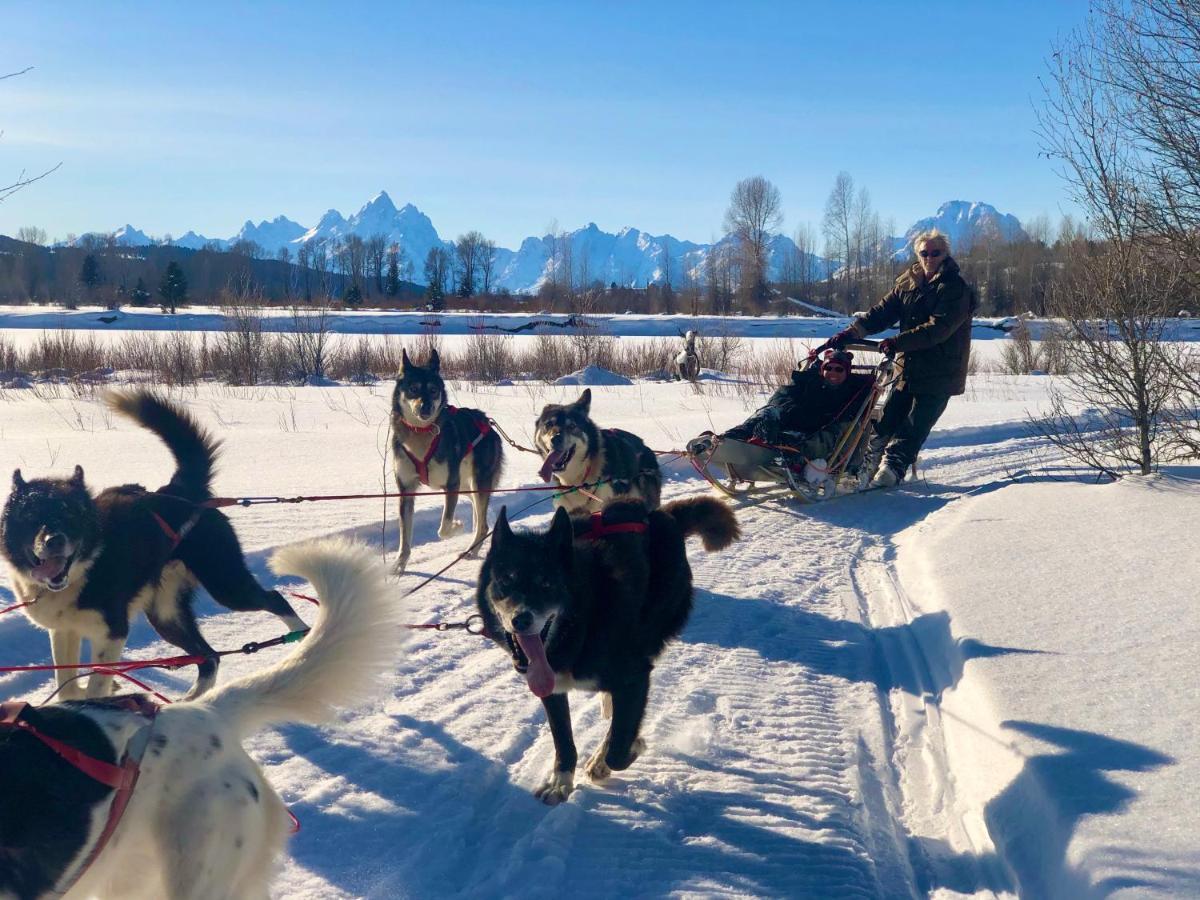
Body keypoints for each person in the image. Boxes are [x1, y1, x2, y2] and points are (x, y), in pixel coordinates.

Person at [829, 228, 973, 488]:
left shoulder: (955, 289)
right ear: (917, 254)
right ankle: (865, 465)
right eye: (924, 253)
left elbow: (938, 329)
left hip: (941, 371)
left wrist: (897, 342)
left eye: (935, 253)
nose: (929, 257)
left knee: (914, 425)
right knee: (886, 419)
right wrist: (852, 332)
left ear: (945, 255)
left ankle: (893, 468)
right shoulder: (908, 283)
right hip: (908, 367)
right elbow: (882, 312)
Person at [687, 348, 872, 483]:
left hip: (815, 432)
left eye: (839, 369)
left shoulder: (851, 393)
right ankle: (725, 439)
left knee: (828, 432)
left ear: (847, 372)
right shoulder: (809, 382)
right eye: (828, 368)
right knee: (769, 411)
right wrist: (784, 412)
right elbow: (782, 396)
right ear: (822, 369)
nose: (832, 373)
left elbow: (843, 418)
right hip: (791, 422)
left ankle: (787, 456)